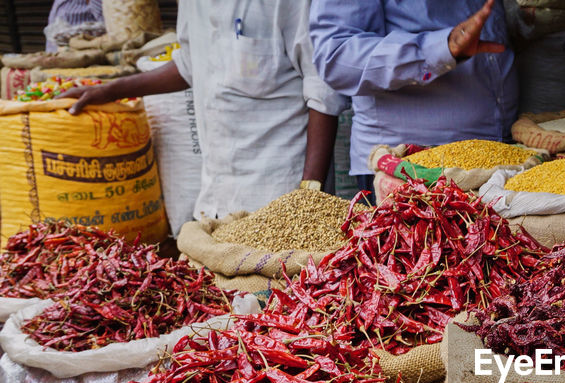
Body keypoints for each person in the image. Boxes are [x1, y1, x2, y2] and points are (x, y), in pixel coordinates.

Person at [60, 0, 344, 221]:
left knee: (284, 293)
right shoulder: (193, 4)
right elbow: (189, 64)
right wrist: (110, 90)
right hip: (215, 198)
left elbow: (323, 89)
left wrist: (310, 195)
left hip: (280, 191)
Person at [309, 0, 517, 193]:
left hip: (501, 156)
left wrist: (525, 20)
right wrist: (439, 49)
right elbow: (336, 57)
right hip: (409, 169)